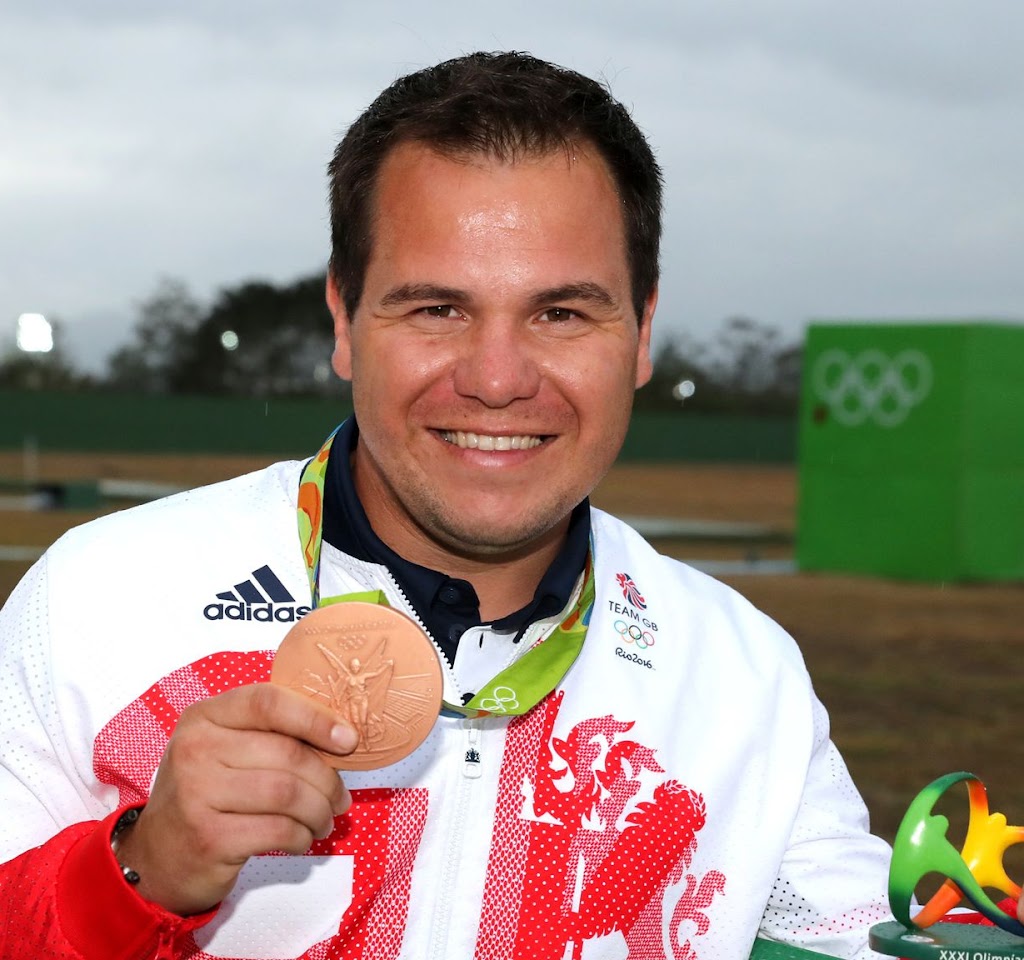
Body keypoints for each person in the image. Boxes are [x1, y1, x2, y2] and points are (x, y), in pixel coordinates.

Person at [0, 51, 892, 959]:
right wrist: (135, 872)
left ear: (641, 333)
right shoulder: (98, 601)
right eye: (436, 309)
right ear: (344, 321)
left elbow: (873, 934)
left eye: (561, 314)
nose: (497, 380)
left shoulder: (745, 679)